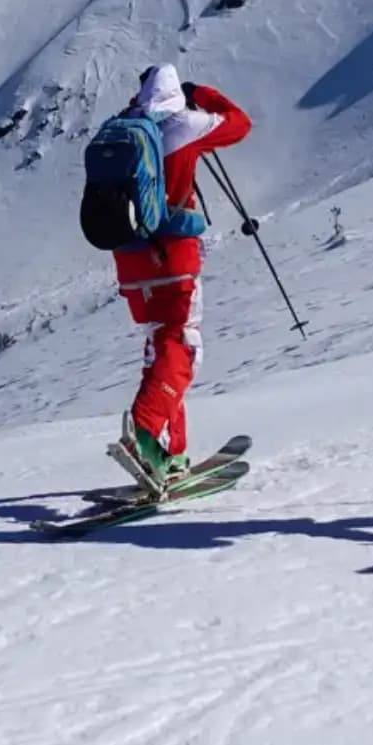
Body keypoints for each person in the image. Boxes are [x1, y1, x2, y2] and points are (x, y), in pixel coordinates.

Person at [85, 64, 252, 484]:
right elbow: (240, 125)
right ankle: (142, 432)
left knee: (162, 348)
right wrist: (204, 93)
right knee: (183, 348)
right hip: (172, 260)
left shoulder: (122, 128)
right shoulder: (185, 124)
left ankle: (172, 454)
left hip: (129, 262)